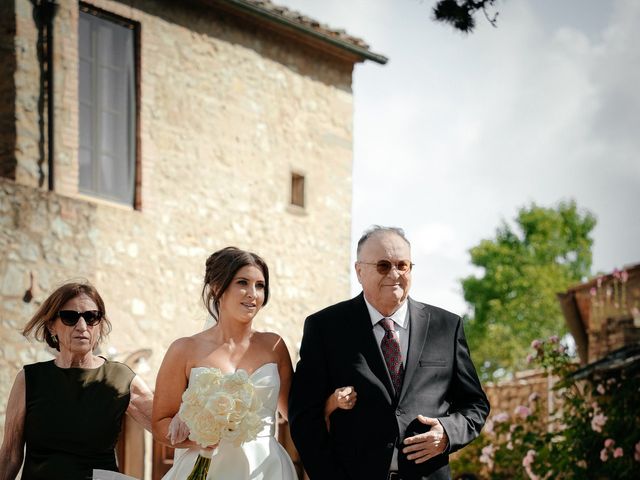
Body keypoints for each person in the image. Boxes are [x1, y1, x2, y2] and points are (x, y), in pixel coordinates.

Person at [289, 226, 490, 480]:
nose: (395, 274)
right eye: (383, 266)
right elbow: (304, 416)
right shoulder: (325, 328)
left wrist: (448, 433)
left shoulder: (447, 326)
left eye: (402, 265)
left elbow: (476, 405)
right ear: (359, 271)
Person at [153, 247, 298, 480]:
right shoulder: (183, 349)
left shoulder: (275, 346)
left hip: (266, 469)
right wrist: (198, 435)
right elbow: (160, 424)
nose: (253, 294)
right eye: (243, 282)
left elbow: (297, 414)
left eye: (260, 285)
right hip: (205, 468)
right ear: (217, 287)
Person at [0, 281, 153, 480]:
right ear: (51, 326)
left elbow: (167, 430)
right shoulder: (29, 379)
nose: (82, 326)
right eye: (70, 317)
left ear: (100, 325)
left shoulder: (122, 378)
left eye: (91, 317)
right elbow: (10, 456)